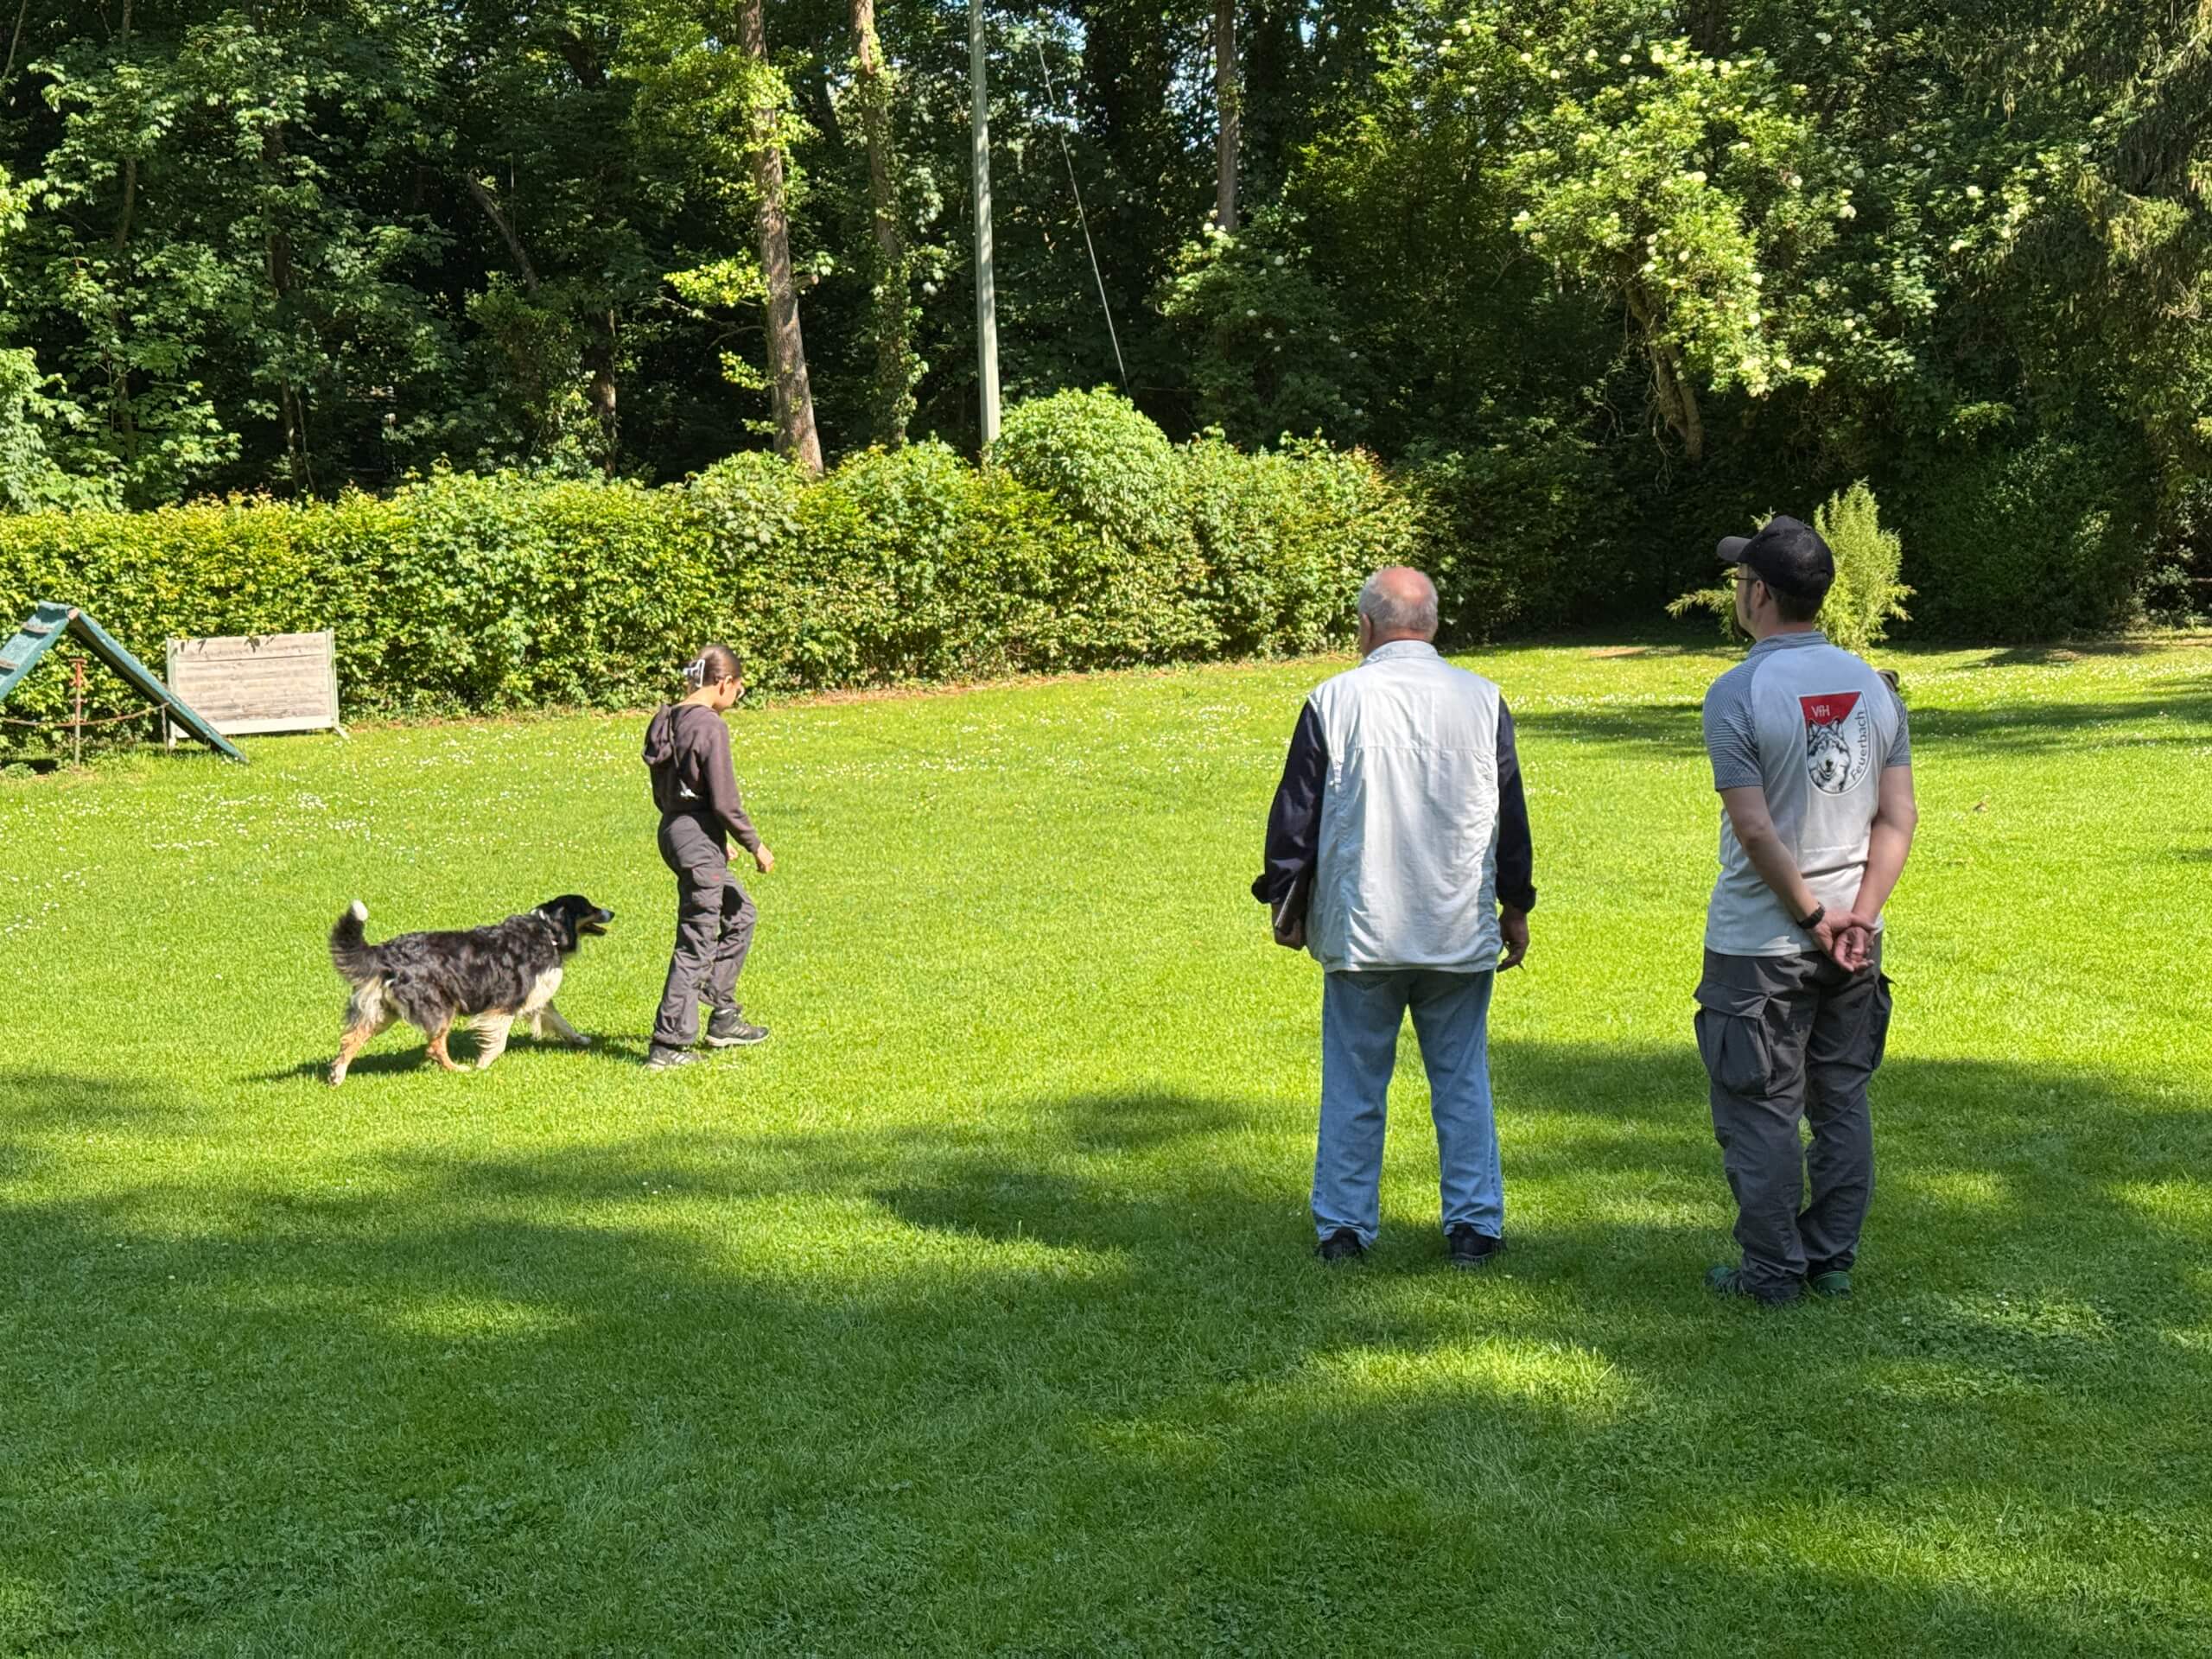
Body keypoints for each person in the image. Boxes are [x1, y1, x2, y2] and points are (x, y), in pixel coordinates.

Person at [1253, 567, 1536, 1268]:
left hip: (1363, 926)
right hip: (1455, 923)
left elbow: (1297, 816)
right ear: (1433, 625)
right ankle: (1474, 1225)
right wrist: (1516, 903)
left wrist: (1284, 898)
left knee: (1355, 1084)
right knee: (1461, 1081)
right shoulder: (1482, 698)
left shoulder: (1334, 699)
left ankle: (1344, 1229)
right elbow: (1510, 813)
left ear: (1366, 626)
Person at [1696, 516, 1917, 1303]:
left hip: (1761, 943)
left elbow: (1755, 827)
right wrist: (1858, 915)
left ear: (1759, 594)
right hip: (1857, 940)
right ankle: (1830, 1260)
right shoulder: (1873, 685)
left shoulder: (1737, 692)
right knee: (1841, 1101)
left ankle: (1771, 1273)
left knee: (1760, 1109)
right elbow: (1898, 816)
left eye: (1740, 581)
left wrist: (1811, 916)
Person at [641, 644, 776, 1072]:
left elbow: (669, 793)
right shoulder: (709, 725)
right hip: (697, 841)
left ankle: (722, 1014)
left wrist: (713, 840)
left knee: (741, 913)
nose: (737, 696)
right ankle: (668, 1043)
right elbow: (725, 800)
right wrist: (754, 844)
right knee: (696, 941)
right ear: (723, 682)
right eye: (739, 689)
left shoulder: (666, 719)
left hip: (676, 831)